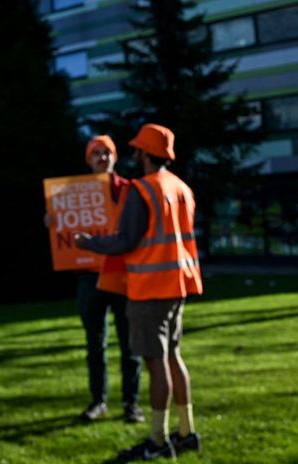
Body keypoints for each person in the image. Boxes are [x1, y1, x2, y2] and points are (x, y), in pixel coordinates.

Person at [75, 124, 204, 461]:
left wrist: (89, 243)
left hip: (149, 288)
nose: (134, 154)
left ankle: (159, 440)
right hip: (178, 284)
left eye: (137, 149)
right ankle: (187, 432)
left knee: (156, 361)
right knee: (174, 355)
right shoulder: (181, 187)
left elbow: (125, 241)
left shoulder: (142, 189)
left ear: (144, 153)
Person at [74, 136, 144, 424]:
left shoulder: (130, 190)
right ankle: (98, 401)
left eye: (106, 153)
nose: (102, 158)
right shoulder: (72, 194)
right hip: (89, 277)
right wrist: (54, 223)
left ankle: (131, 404)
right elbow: (66, 234)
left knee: (130, 343)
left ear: (115, 157)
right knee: (95, 344)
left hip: (122, 275)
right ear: (88, 160)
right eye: (96, 154)